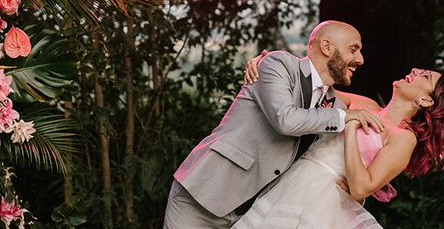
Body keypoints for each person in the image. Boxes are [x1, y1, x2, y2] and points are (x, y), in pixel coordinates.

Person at [163, 21, 385, 228]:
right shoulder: (278, 64)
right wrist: (344, 116)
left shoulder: (333, 102)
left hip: (251, 214)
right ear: (327, 47)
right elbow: (285, 120)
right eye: (353, 49)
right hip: (205, 195)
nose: (361, 59)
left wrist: (345, 186)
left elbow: (369, 111)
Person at [234, 60, 444, 228]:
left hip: (325, 200)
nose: (415, 70)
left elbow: (360, 188)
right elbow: (311, 86)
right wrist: (268, 62)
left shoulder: (404, 138)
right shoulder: (365, 103)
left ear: (426, 101)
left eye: (425, 76)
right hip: (293, 180)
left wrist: (350, 128)